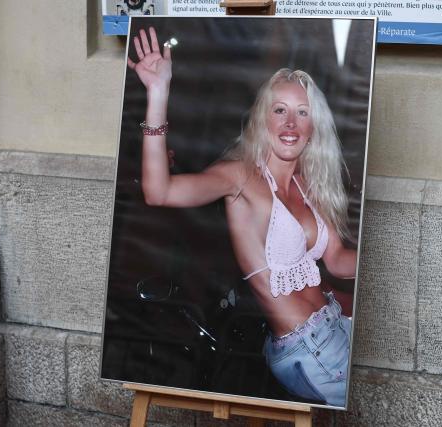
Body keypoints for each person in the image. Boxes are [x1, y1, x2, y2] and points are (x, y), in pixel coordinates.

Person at [127, 26, 358, 407]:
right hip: (309, 351)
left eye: (302, 113)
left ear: (313, 126)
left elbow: (335, 258)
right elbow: (159, 192)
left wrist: (380, 259)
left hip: (335, 323)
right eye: (279, 110)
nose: (289, 124)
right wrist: (158, 93)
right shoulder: (240, 178)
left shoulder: (308, 186)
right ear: (262, 119)